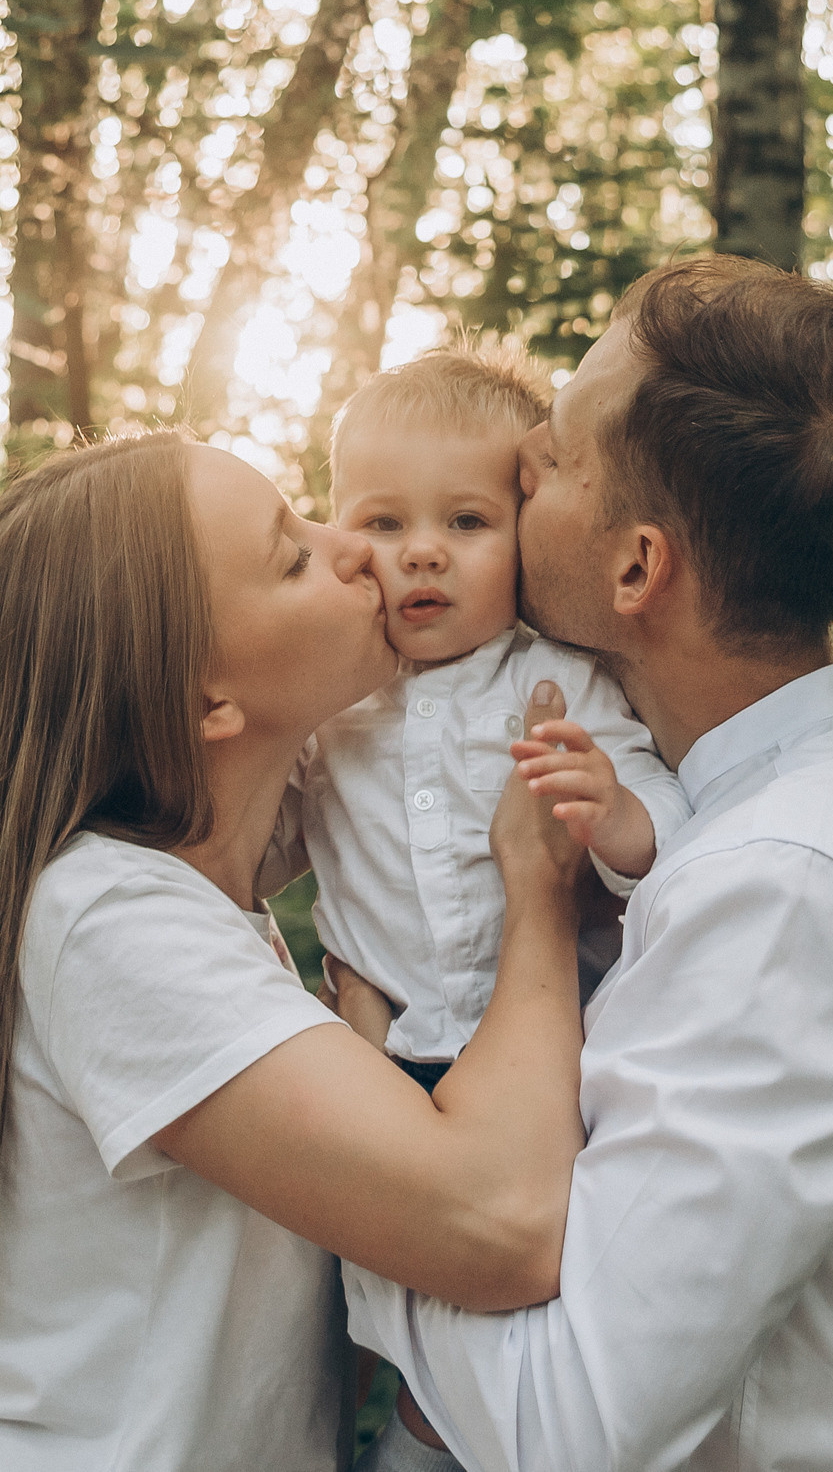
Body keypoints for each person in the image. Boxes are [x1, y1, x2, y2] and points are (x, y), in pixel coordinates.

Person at [345, 255, 833, 1472]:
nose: (515, 463)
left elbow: (568, 1421)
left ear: (637, 568)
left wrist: (354, 1202)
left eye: (554, 458)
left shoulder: (792, 885)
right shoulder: (707, 816)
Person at [0, 432, 599, 1471]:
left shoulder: (195, 915)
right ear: (207, 701)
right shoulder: (110, 923)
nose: (355, 551)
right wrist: (538, 889)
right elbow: (506, 1228)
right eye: (292, 555)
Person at [265, 350, 688, 1091]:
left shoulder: (556, 679)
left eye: (467, 521)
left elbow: (671, 827)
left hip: (561, 1048)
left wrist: (616, 813)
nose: (424, 552)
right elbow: (264, 851)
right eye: (384, 522)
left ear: (521, 535)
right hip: (380, 1052)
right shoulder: (330, 703)